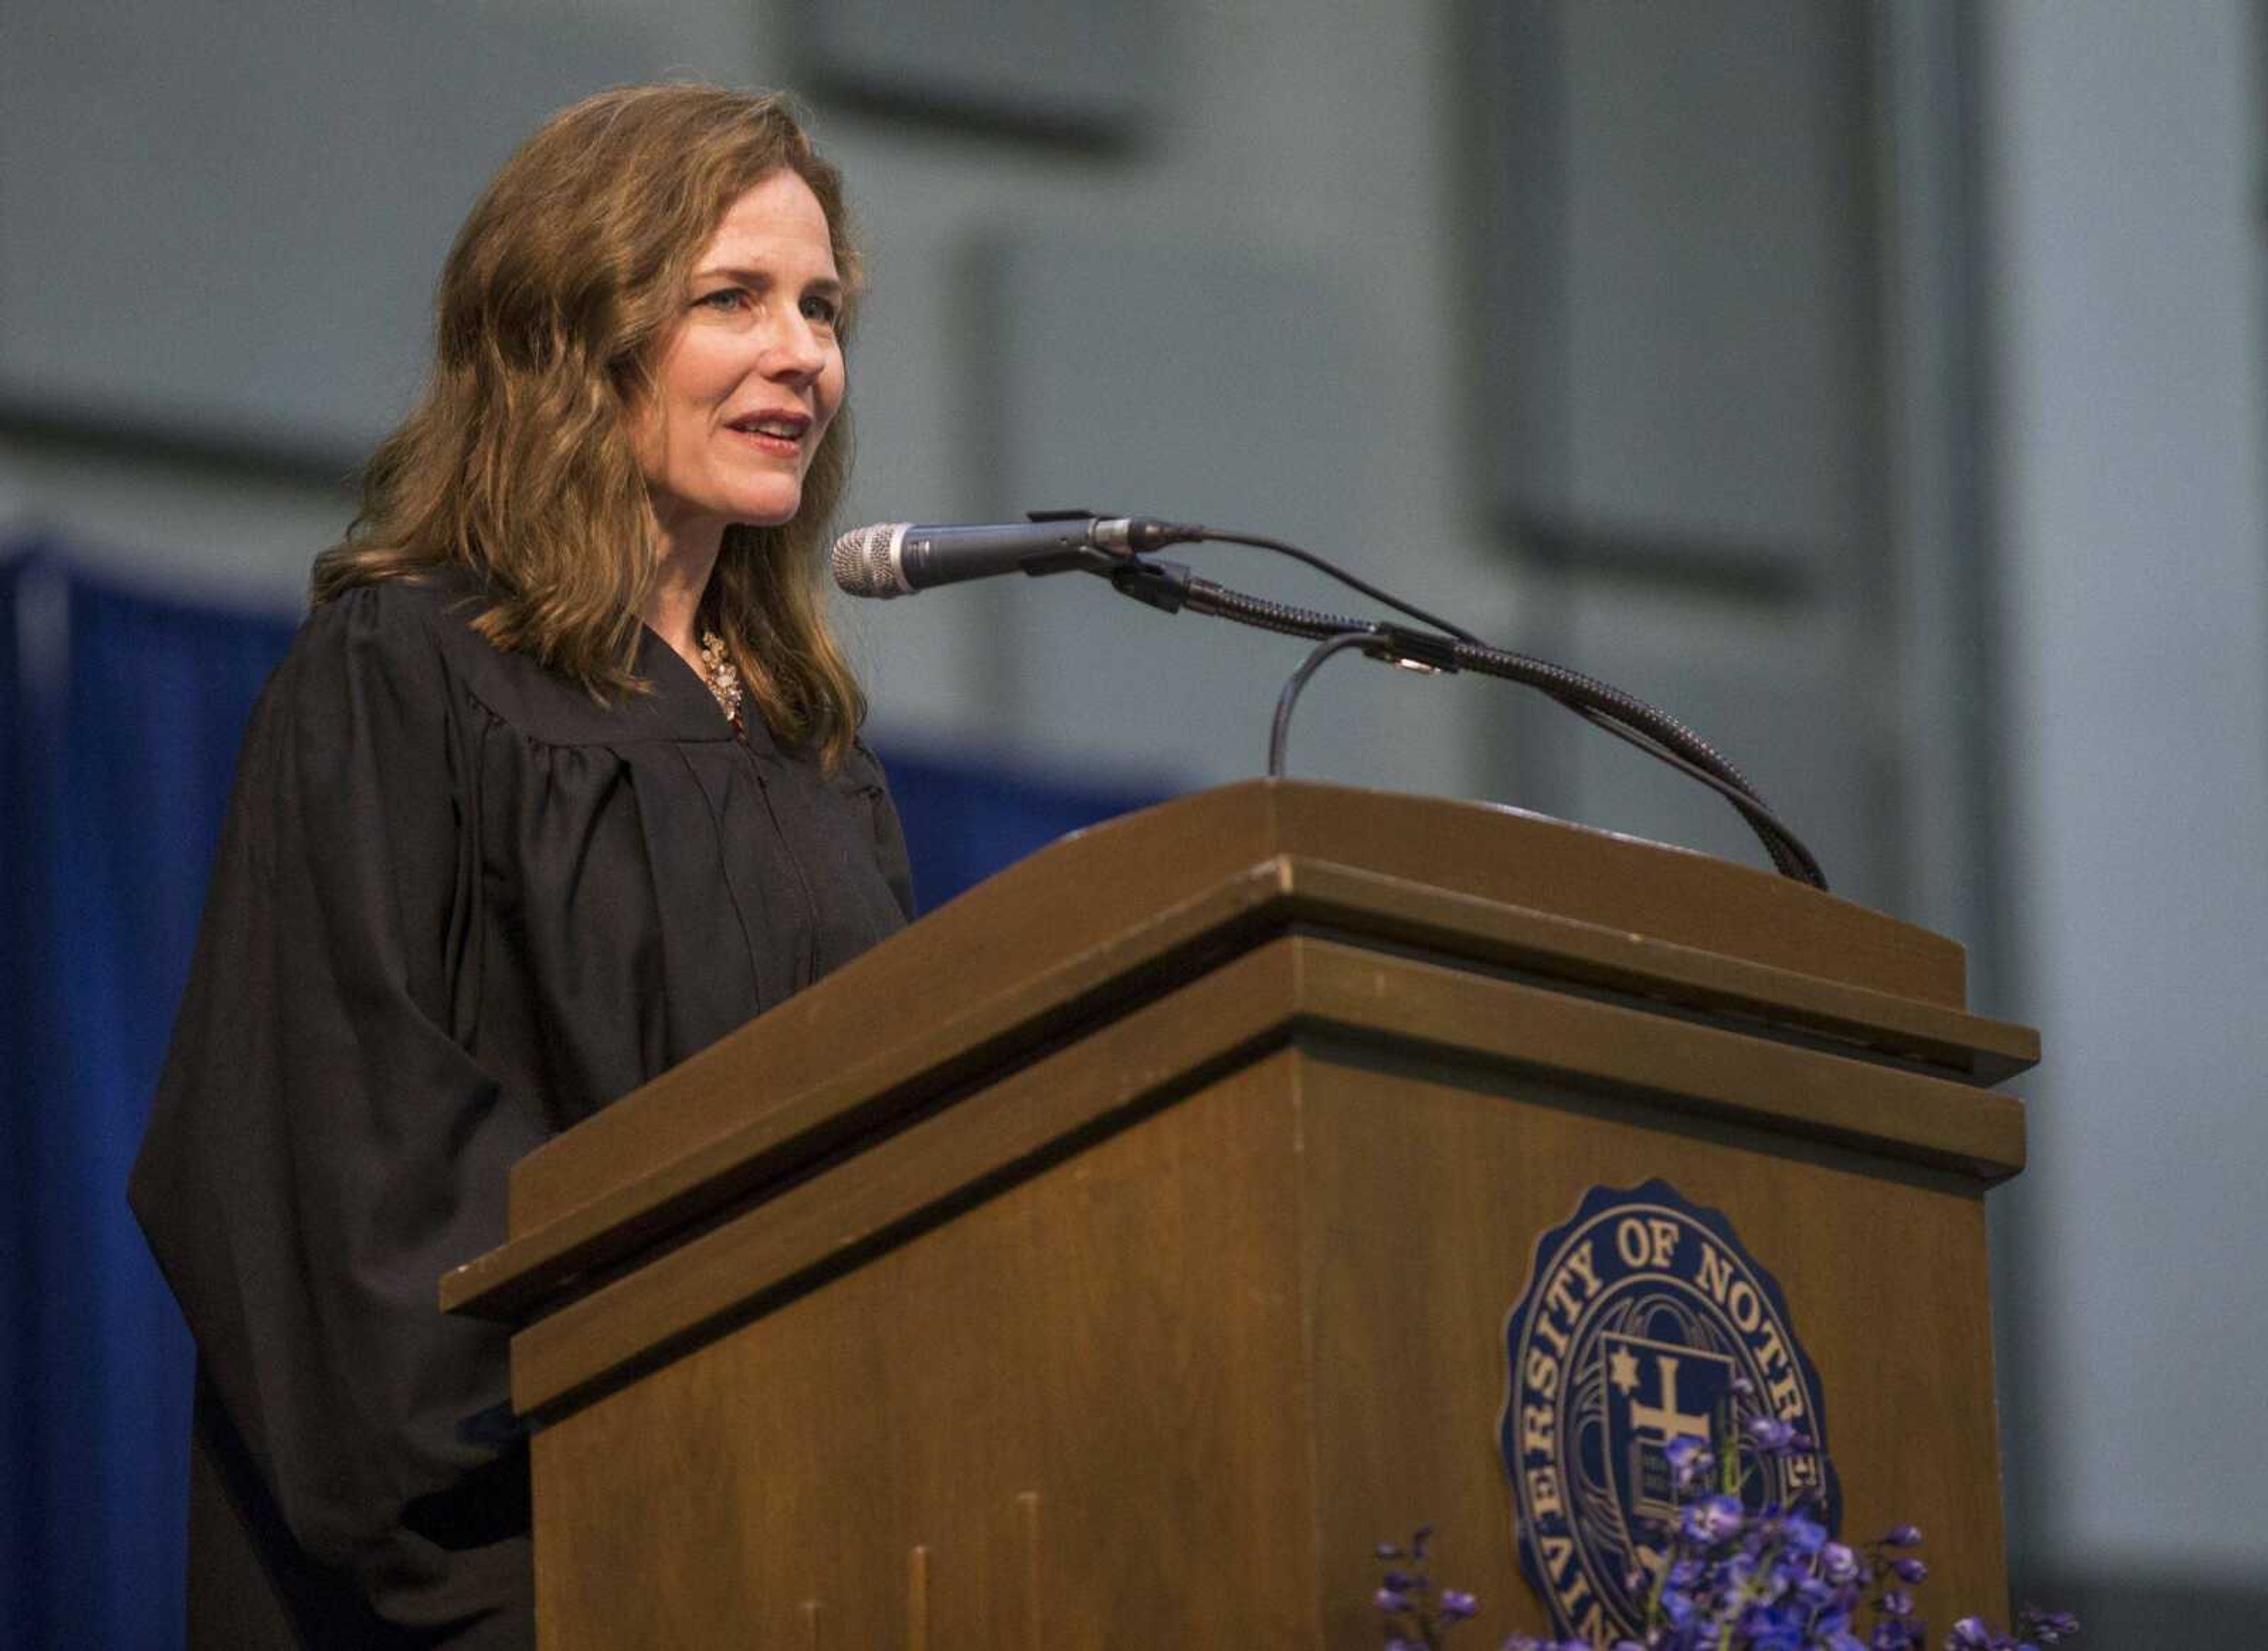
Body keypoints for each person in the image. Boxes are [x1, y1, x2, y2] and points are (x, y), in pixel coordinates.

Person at [128, 85, 915, 1649]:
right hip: (527, 1574)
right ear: (575, 330)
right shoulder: (405, 681)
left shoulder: (820, 761)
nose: (804, 354)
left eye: (821, 307)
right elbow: (343, 1192)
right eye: (733, 300)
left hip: (809, 1559)